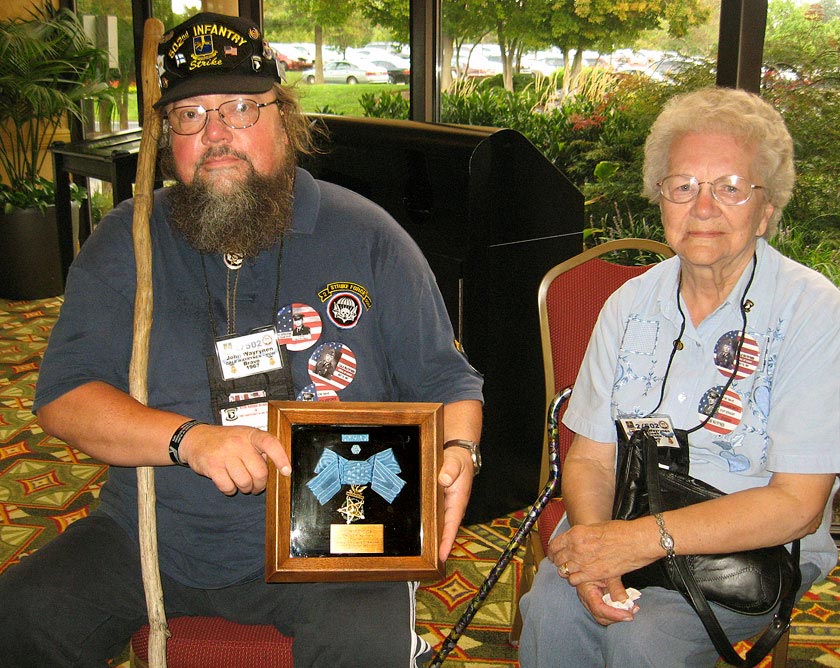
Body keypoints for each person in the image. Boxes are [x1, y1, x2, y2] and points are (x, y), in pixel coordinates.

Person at [0, 12, 483, 667]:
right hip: (149, 531)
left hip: (328, 531)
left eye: (239, 108)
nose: (215, 133)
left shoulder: (368, 237)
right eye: (189, 115)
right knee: (20, 617)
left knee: (364, 644)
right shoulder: (127, 241)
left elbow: (446, 379)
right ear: (166, 136)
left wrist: (458, 450)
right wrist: (189, 440)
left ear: (284, 119)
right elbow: (64, 396)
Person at [518, 86, 840, 667]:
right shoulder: (628, 304)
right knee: (553, 609)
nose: (704, 207)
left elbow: (797, 504)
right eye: (683, 186)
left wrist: (638, 541)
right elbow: (591, 459)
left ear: (767, 208)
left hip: (749, 548)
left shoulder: (813, 312)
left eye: (731, 188)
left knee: (645, 638)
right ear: (661, 199)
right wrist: (597, 553)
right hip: (625, 517)